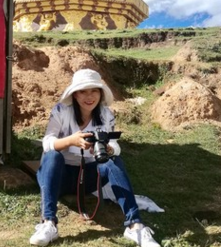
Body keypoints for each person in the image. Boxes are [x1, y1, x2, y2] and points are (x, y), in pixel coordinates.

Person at [30, 69, 161, 247]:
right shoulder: (61, 111)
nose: (89, 96)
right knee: (52, 156)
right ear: (75, 94)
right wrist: (72, 141)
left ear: (100, 93)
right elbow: (47, 142)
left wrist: (108, 148)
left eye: (94, 91)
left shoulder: (106, 114)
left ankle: (135, 225)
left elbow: (115, 145)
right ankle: (48, 223)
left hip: (89, 177)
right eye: (83, 91)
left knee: (114, 160)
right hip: (59, 176)